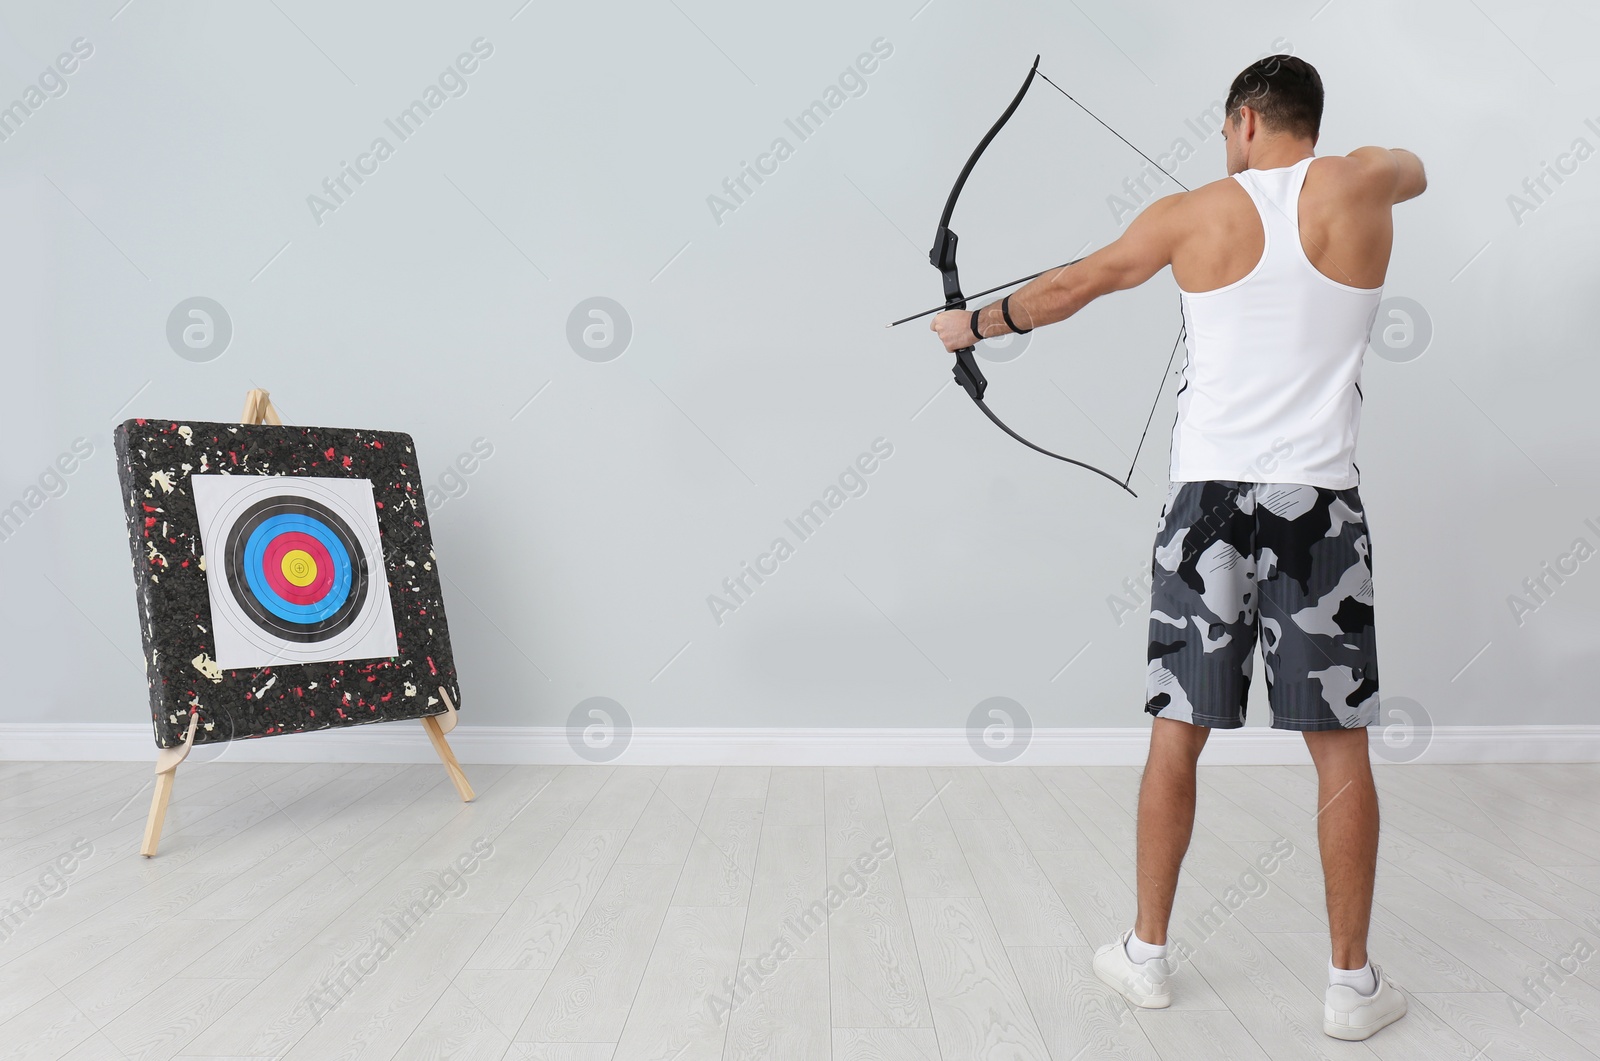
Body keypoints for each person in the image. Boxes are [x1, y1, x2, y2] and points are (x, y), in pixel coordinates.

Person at [931, 53, 1424, 1042]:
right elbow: (1411, 165)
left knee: (1177, 732)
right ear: (1304, 120)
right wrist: (1363, 162)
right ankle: (1347, 985)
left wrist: (970, 323)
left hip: (1206, 509)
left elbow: (1077, 283)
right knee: (1338, 753)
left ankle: (1147, 956)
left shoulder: (1189, 212)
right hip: (1319, 508)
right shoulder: (1368, 181)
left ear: (1244, 121)